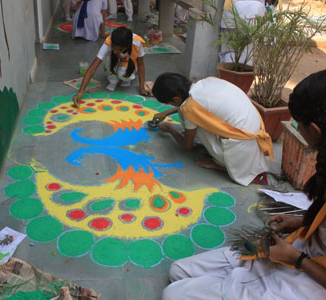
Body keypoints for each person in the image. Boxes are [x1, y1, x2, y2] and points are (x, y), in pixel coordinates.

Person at [161, 70, 326, 300]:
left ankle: (238, 286)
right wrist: (299, 221)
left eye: (298, 125)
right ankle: (234, 282)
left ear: (316, 130)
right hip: (295, 247)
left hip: (307, 276)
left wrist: (295, 259)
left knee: (173, 294)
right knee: (178, 271)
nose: (297, 129)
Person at [152, 73, 273, 186]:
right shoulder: (206, 82)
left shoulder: (189, 108)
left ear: (176, 99)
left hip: (241, 149)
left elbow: (187, 146)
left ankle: (222, 165)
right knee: (190, 116)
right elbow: (196, 105)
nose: (171, 106)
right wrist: (167, 112)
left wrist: (170, 129)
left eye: (169, 103)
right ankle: (224, 156)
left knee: (191, 122)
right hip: (252, 133)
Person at [73, 27, 149, 107]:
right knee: (107, 58)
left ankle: (126, 79)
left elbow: (141, 65)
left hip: (128, 65)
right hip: (113, 61)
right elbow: (92, 68)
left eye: (119, 49)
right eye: (113, 48)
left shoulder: (137, 42)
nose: (115, 51)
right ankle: (113, 78)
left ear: (127, 46)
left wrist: (142, 87)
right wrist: (80, 92)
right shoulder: (109, 42)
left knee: (123, 74)